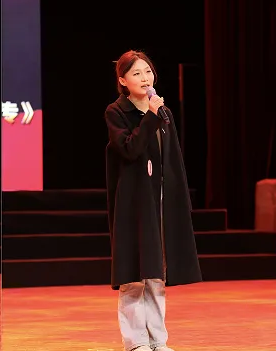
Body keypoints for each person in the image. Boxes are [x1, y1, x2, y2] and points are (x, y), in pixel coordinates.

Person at [106, 50, 201, 351]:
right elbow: (130, 150)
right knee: (135, 273)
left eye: (147, 71)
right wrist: (149, 115)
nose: (145, 78)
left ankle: (158, 340)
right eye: (136, 73)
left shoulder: (163, 111)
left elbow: (173, 159)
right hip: (134, 203)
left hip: (160, 199)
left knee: (157, 272)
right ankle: (136, 342)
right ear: (123, 80)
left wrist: (180, 197)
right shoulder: (116, 112)